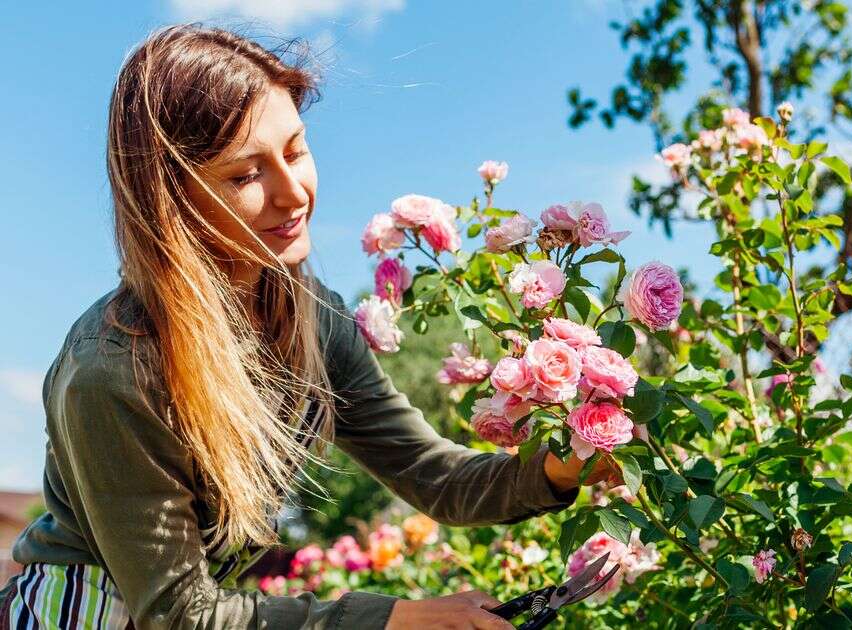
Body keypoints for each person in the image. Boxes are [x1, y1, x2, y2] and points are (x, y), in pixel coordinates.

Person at [0, 23, 617, 630]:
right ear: (173, 199)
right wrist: (399, 619)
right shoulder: (113, 370)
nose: (293, 194)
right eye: (246, 175)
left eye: (295, 150)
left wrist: (559, 467)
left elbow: (435, 477)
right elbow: (180, 613)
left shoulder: (311, 317)